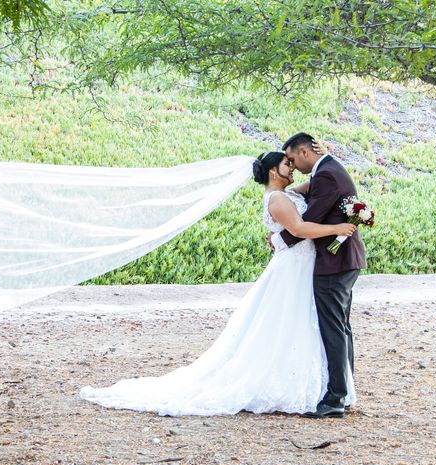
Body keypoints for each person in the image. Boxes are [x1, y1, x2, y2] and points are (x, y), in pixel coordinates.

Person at [79, 149, 357, 416]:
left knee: (301, 323)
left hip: (302, 265)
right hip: (293, 269)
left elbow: (312, 186)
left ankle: (324, 385)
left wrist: (323, 154)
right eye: (287, 163)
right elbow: (298, 229)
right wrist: (336, 228)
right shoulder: (277, 200)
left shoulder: (284, 194)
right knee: (288, 322)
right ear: (274, 171)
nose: (292, 166)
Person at [274, 132, 367, 418]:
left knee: (333, 328)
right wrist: (290, 191)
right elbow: (311, 190)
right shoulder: (327, 169)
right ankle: (345, 391)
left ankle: (336, 397)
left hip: (334, 261)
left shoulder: (326, 173)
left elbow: (309, 220)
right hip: (342, 259)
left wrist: (279, 241)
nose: (291, 164)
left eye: (291, 158)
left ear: (304, 152)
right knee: (341, 326)